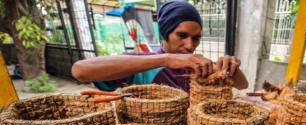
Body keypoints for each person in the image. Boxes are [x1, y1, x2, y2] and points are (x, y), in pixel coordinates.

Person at [72, 1, 248, 92]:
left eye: (196, 38)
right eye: (182, 35)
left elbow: (242, 85)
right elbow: (80, 71)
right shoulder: (144, 64)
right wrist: (167, 59)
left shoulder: (199, 65)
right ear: (165, 33)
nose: (189, 46)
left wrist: (232, 68)